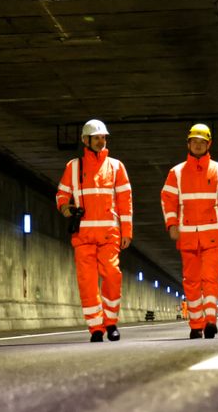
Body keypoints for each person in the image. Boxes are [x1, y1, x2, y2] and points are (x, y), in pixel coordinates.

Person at [56, 119, 133, 342]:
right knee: (87, 282)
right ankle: (96, 328)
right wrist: (65, 207)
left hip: (110, 233)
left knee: (112, 276)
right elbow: (62, 193)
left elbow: (125, 200)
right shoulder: (73, 167)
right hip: (83, 235)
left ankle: (111, 323)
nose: (101, 141)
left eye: (103, 138)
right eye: (97, 138)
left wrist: (127, 231)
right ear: (85, 140)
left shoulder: (116, 167)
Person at [161, 123, 218, 339]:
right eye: (194, 141)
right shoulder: (176, 173)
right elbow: (168, 200)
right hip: (187, 235)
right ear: (188, 143)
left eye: (202, 142)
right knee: (191, 280)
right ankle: (196, 324)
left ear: (208, 144)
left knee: (210, 278)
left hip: (213, 234)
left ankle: (210, 320)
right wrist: (172, 224)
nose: (197, 145)